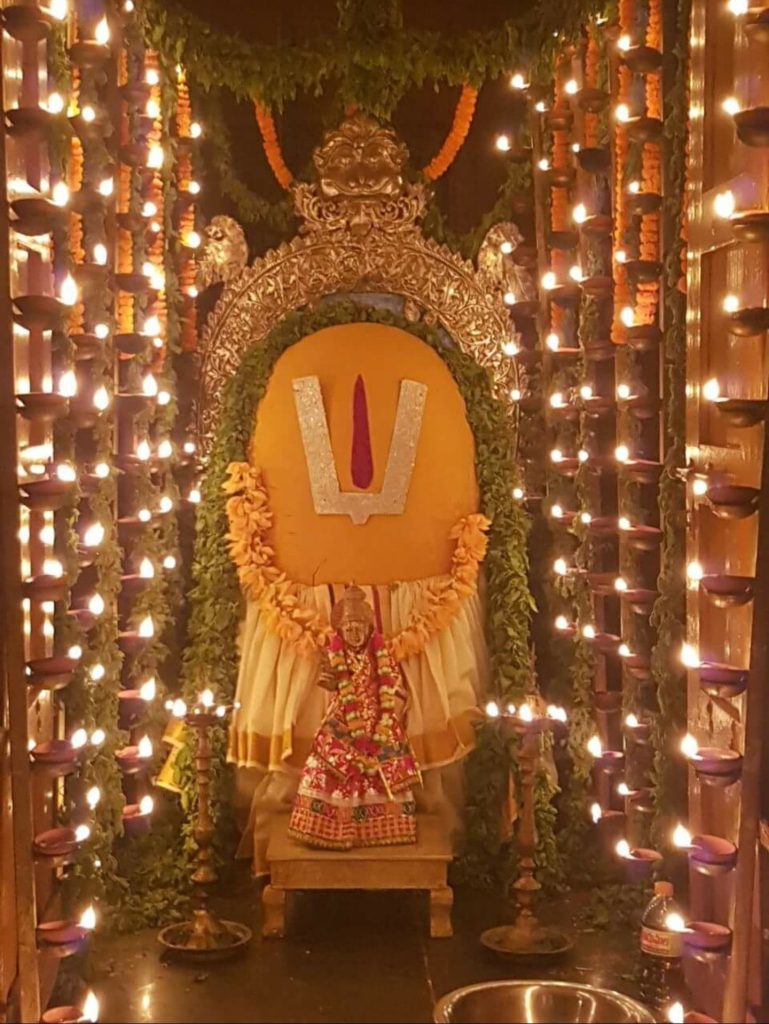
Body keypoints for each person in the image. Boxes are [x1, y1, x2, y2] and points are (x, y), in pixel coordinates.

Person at [288, 586, 421, 850]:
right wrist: (330, 672)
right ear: (340, 630)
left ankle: (383, 825)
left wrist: (384, 712)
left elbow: (391, 682)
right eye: (348, 629)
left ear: (369, 627)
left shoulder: (380, 653)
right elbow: (327, 682)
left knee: (384, 764)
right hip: (344, 719)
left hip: (379, 717)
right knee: (332, 764)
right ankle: (329, 826)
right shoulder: (334, 654)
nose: (355, 634)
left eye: (359, 627)